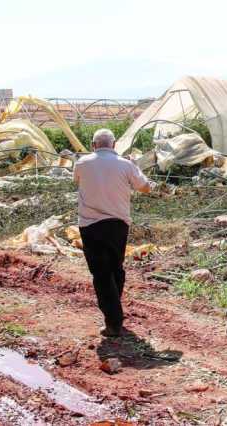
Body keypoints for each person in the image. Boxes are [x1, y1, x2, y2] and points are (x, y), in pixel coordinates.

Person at [73, 129, 153, 337]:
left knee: (101, 273)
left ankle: (114, 321)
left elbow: (78, 181)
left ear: (93, 145)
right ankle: (114, 311)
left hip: (90, 225)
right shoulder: (126, 165)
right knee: (115, 268)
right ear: (114, 144)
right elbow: (145, 188)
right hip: (118, 224)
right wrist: (135, 167)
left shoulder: (82, 163)